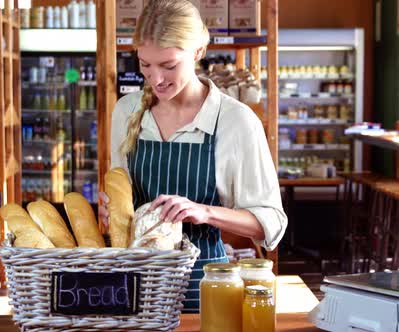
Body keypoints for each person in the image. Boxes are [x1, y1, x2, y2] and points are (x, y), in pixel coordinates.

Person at [99, 0, 287, 313]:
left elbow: (271, 224)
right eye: (145, 64)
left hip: (204, 289)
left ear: (198, 52)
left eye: (169, 66)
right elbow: (122, 199)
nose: (155, 79)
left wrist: (205, 212)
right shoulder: (127, 111)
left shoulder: (234, 120)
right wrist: (112, 213)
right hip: (133, 287)